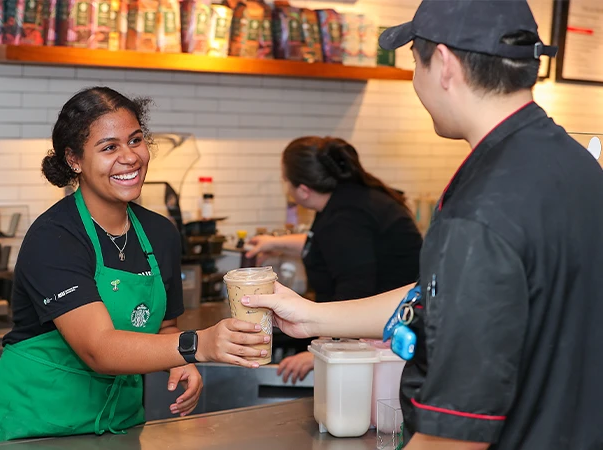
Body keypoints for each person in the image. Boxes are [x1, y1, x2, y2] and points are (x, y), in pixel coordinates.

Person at [243, 1, 603, 449]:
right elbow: (446, 295)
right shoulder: (574, 165)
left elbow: (453, 435)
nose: (417, 79)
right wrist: (314, 316)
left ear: (446, 65)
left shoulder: (480, 211)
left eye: (416, 61)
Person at [0, 87, 269, 445]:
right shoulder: (55, 236)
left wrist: (179, 359)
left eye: (136, 140)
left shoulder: (160, 233)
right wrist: (197, 346)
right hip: (33, 421)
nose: (130, 157)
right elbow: (99, 348)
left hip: (118, 422)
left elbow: (163, 328)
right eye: (109, 147)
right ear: (74, 160)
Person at [246, 136, 422, 383]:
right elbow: (325, 245)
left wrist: (321, 351)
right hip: (390, 330)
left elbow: (355, 290)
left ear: (304, 190)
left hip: (385, 346)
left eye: (285, 180)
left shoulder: (345, 217)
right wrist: (274, 243)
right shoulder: (349, 198)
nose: (285, 186)